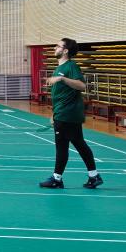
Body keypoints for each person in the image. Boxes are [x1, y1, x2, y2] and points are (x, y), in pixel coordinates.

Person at [39, 37, 102, 189]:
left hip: (68, 114)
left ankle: (57, 179)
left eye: (58, 46)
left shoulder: (71, 66)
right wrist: (54, 113)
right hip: (63, 113)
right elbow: (60, 96)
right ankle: (93, 176)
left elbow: (81, 86)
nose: (55, 48)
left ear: (65, 51)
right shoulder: (59, 68)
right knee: (79, 144)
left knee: (62, 146)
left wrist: (62, 79)